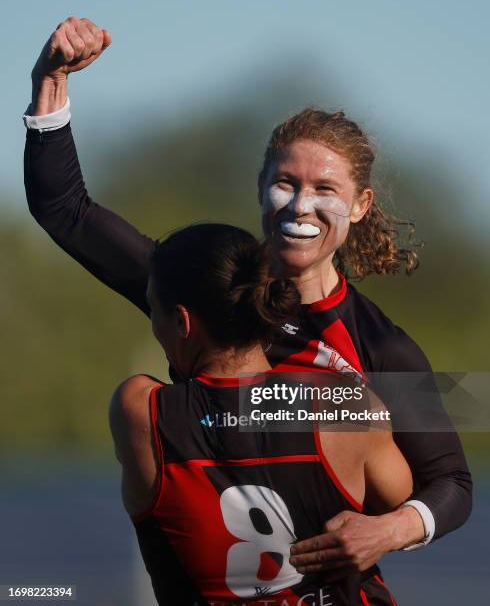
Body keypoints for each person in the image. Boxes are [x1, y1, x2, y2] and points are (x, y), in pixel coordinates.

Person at [23, 16, 472, 604]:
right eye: (285, 182)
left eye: (326, 190)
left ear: (361, 206)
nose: (301, 206)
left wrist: (388, 530)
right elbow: (67, 212)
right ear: (260, 185)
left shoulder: (381, 348)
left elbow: (453, 484)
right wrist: (49, 80)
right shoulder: (208, 283)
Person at [110, 222, 412, 605]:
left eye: (154, 309)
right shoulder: (346, 404)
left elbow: (62, 208)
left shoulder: (139, 409)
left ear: (183, 322)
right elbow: (403, 504)